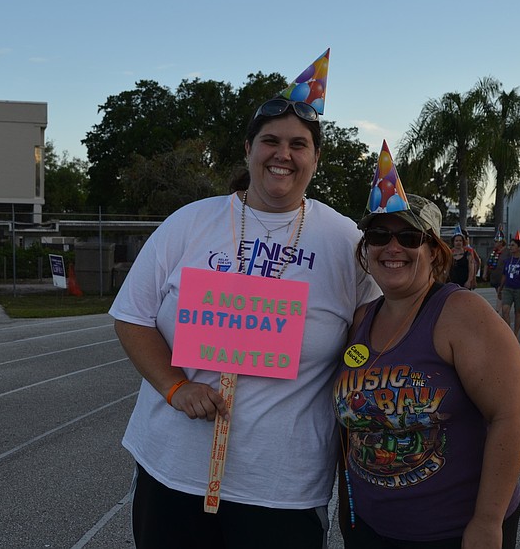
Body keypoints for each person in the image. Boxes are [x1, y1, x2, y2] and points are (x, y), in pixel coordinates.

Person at [110, 50, 380, 549]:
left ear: (316, 158)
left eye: (299, 144)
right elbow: (132, 316)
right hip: (174, 470)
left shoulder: (344, 241)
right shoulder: (190, 223)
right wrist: (174, 387)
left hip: (282, 484)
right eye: (270, 140)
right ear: (248, 150)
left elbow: (379, 333)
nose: (284, 154)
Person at [333, 158, 520, 549]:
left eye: (409, 237)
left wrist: (487, 521)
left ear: (434, 251)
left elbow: (512, 413)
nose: (393, 247)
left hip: (452, 533)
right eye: (379, 235)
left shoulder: (461, 314)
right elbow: (350, 428)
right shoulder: (359, 320)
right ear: (365, 248)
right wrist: (348, 504)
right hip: (370, 528)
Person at [498, 232, 520, 338]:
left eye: (513, 245)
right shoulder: (508, 260)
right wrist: (500, 288)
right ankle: (509, 334)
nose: (510, 247)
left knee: (518, 312)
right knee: (505, 310)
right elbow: (504, 275)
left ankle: (515, 334)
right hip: (508, 288)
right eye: (510, 245)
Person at [483, 235, 507, 311]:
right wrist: (485, 273)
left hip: (503, 276)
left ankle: (498, 309)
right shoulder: (493, 252)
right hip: (495, 277)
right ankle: (501, 307)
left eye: (497, 242)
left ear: (501, 242)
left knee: (501, 292)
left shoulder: (507, 252)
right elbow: (487, 263)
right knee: (498, 292)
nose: (495, 243)